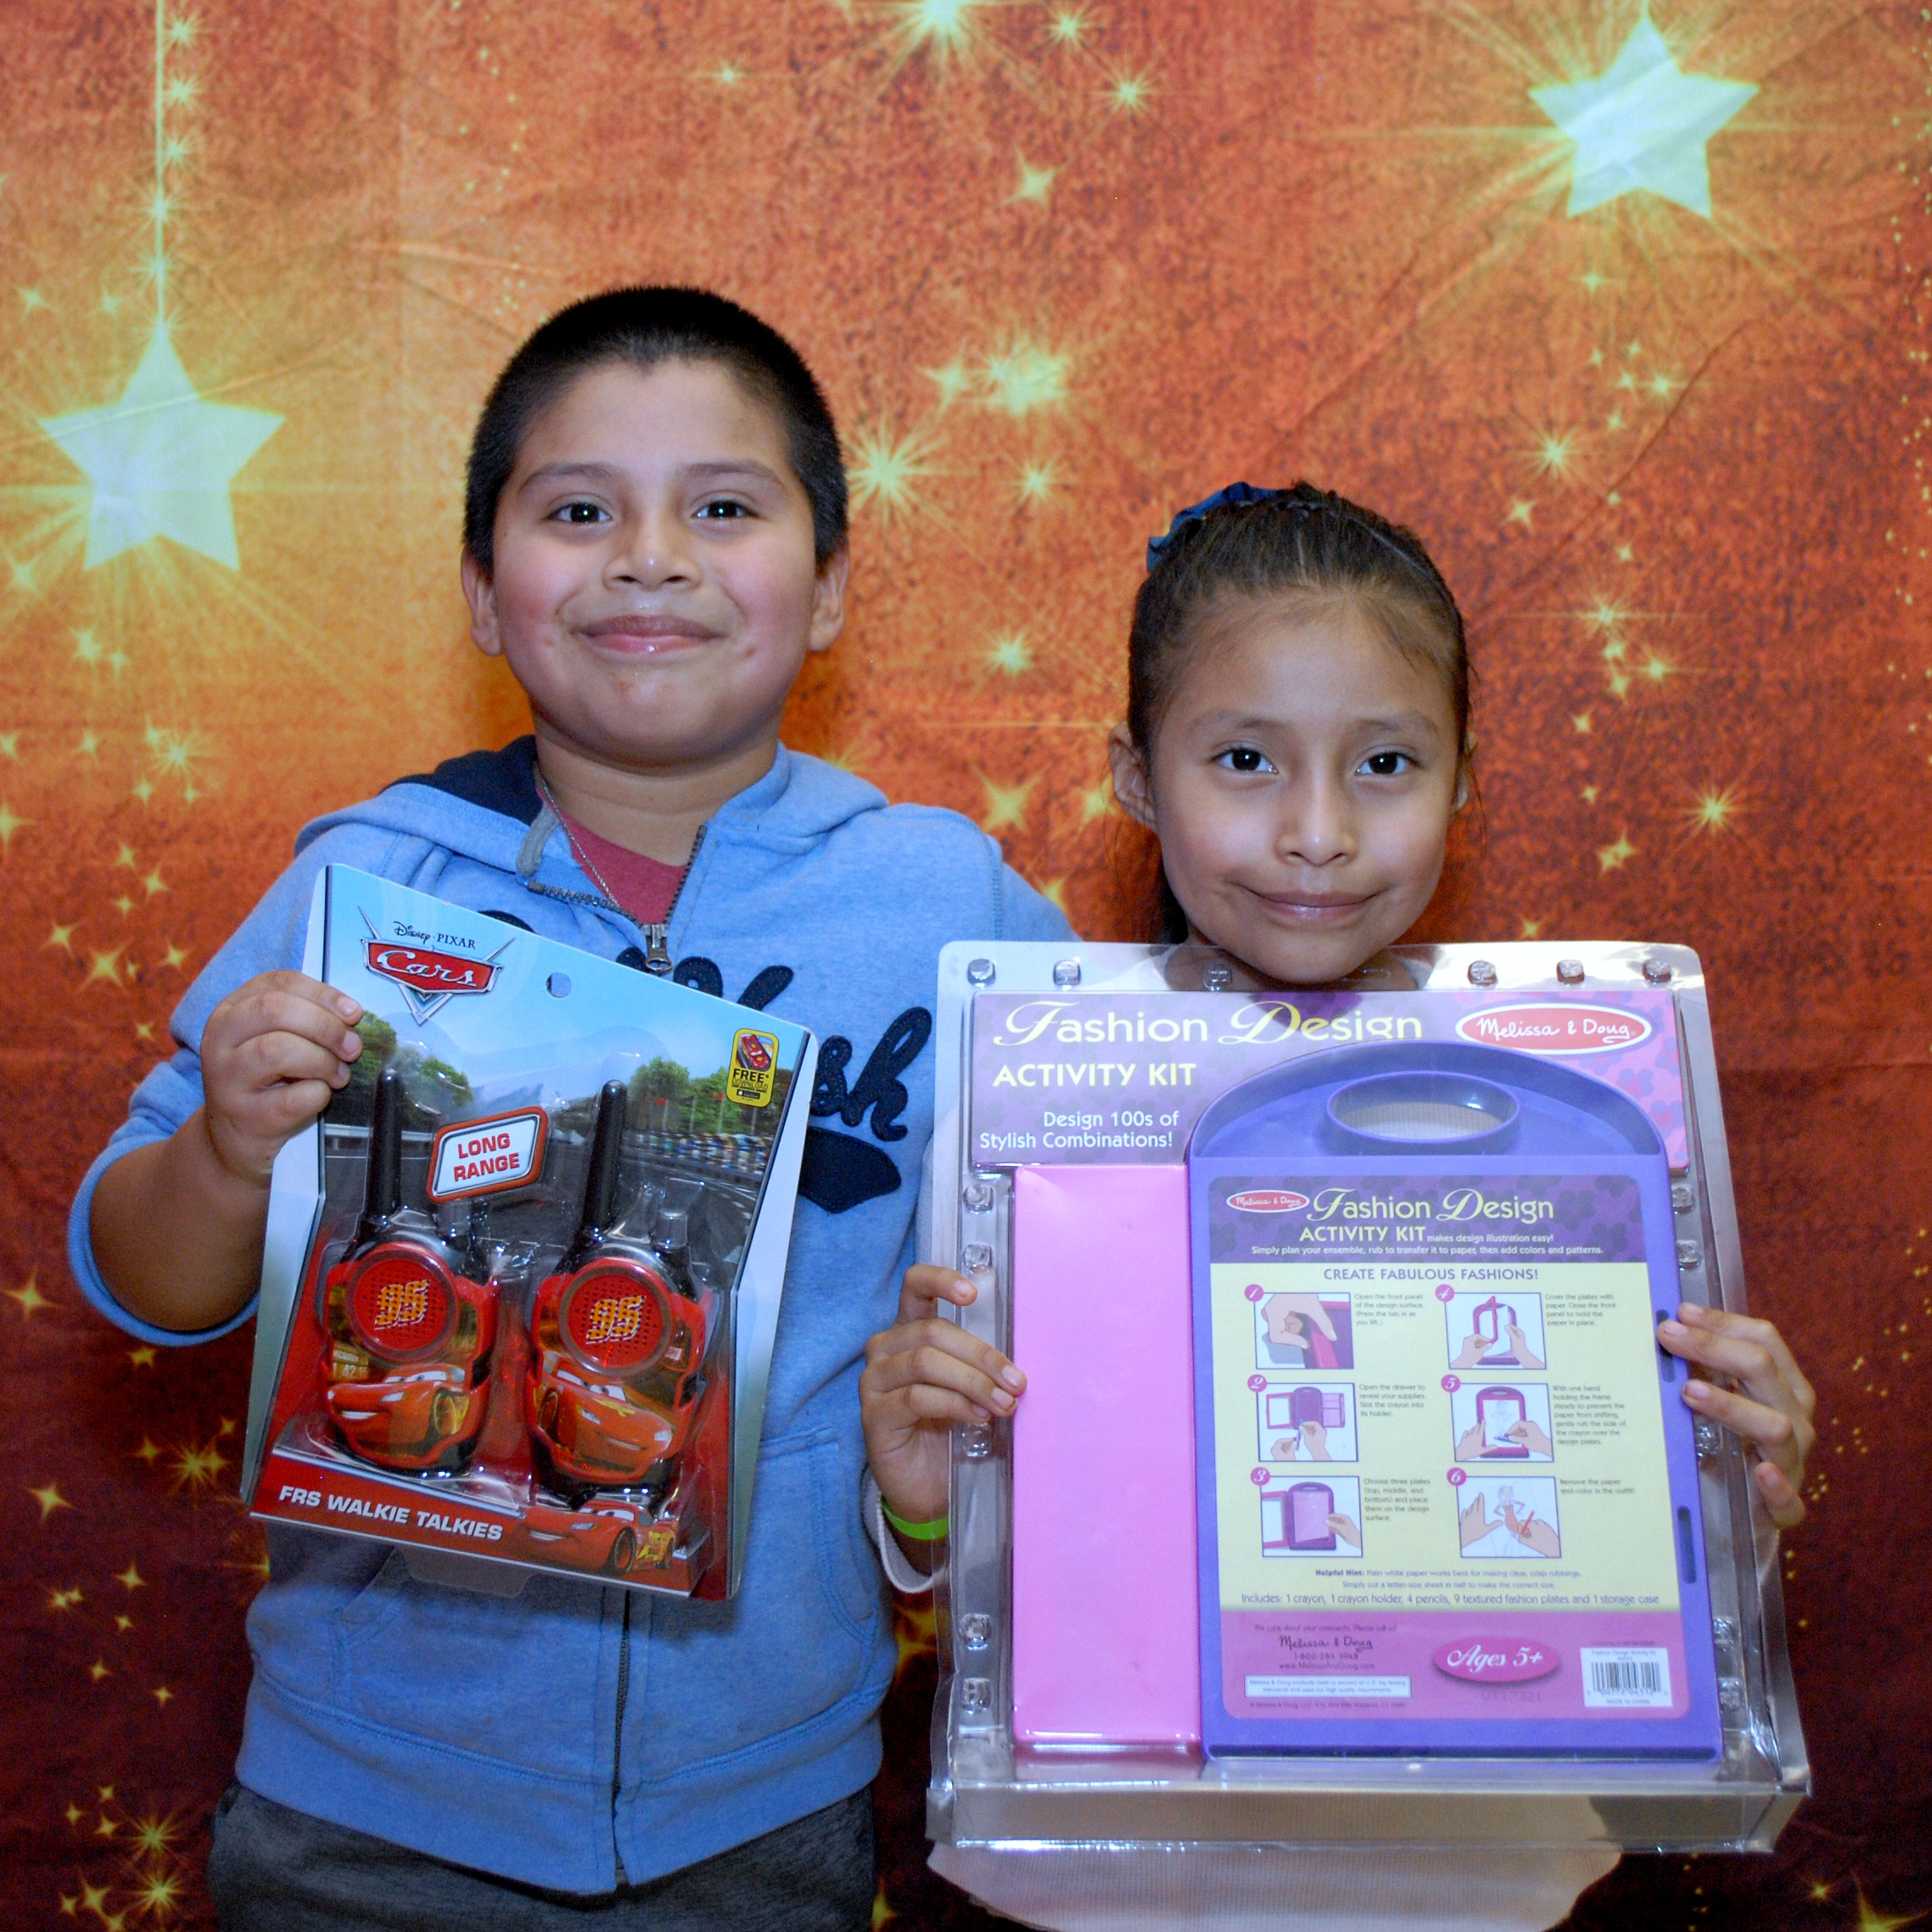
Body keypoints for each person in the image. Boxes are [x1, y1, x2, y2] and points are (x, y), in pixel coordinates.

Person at [70, 286, 1070, 1931]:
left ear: (830, 586)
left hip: (761, 1799)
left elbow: (1114, 1193)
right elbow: (142, 1277)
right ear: (482, 589)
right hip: (364, 1802)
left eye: (723, 508)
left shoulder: (949, 898)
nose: (650, 558)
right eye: (579, 510)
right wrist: (227, 1150)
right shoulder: (370, 882)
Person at [862, 481, 1817, 1932]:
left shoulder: (1580, 1099)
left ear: (1464, 777)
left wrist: (1724, 1480)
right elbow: (974, 1550)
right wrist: (925, 1493)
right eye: (1244, 758)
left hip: (1472, 1873)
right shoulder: (1045, 1098)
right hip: (1099, 1872)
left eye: (1383, 761)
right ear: (1134, 775)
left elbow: (1607, 1526)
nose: (1316, 830)